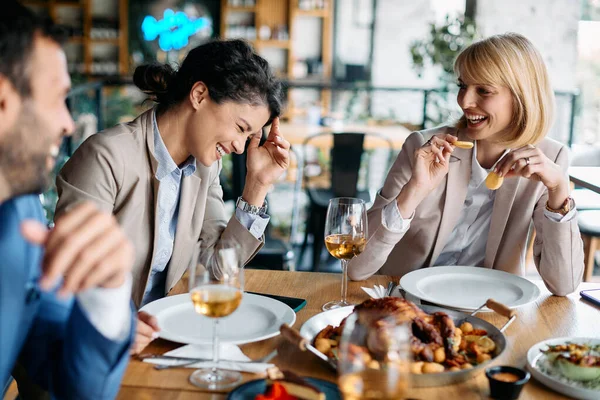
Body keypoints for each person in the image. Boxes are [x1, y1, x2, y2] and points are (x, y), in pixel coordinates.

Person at [55, 39, 290, 353]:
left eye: (248, 137)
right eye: (239, 127)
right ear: (199, 95)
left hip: (164, 338)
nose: (238, 146)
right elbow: (69, 275)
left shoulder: (205, 167)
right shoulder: (107, 157)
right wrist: (119, 325)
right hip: (100, 344)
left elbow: (216, 268)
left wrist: (257, 186)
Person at [347, 33, 584, 296]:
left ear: (521, 96)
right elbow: (355, 268)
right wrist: (414, 190)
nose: (464, 101)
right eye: (462, 86)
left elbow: (564, 286)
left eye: (483, 90)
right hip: (408, 302)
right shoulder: (423, 147)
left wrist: (559, 191)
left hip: (489, 308)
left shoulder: (551, 159)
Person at [0, 2, 135, 399]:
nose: (68, 122)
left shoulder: (21, 215)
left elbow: (76, 387)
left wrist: (107, 292)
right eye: (58, 98)